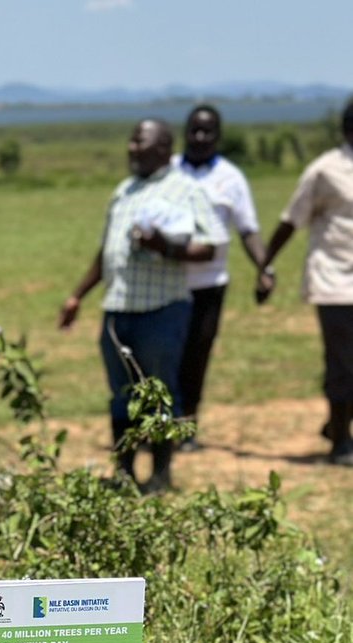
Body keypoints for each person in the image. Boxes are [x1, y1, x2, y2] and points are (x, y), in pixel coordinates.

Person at [59, 119, 225, 492]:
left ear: (164, 148)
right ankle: (124, 473)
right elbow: (107, 251)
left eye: (140, 141)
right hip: (118, 308)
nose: (132, 148)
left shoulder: (186, 190)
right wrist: (77, 296)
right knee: (122, 394)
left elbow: (211, 244)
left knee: (159, 392)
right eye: (131, 140)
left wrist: (164, 247)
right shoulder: (124, 190)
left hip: (161, 310)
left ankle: (162, 474)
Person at [259, 97, 353, 467]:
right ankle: (341, 443)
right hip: (334, 281)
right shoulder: (325, 170)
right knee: (344, 364)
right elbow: (290, 220)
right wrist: (265, 263)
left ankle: (336, 423)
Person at [173, 105, 269, 450]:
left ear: (218, 136)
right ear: (185, 132)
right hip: (167, 284)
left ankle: (186, 427)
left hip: (210, 285)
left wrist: (264, 267)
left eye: (208, 131)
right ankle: (155, 428)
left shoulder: (231, 178)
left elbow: (248, 230)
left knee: (196, 356)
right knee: (161, 356)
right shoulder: (167, 172)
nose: (200, 138)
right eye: (194, 131)